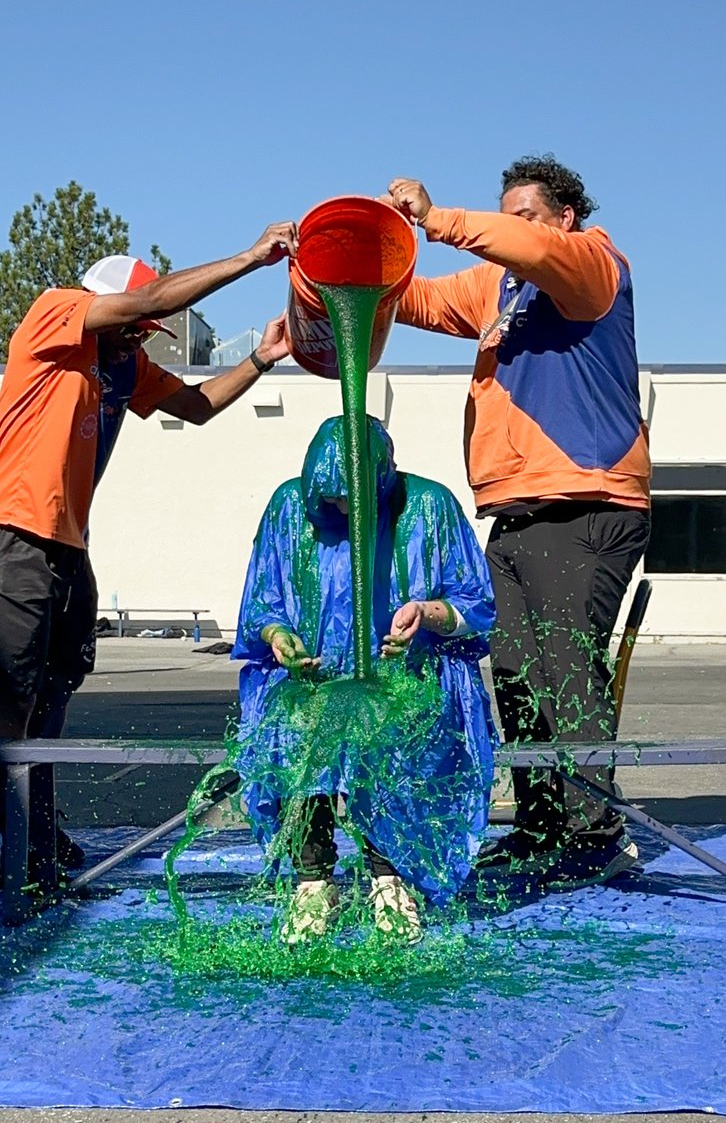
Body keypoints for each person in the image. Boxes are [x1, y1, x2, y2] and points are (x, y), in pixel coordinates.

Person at [385, 156, 651, 890]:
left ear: (564, 217)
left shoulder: (593, 261)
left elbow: (528, 247)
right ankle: (540, 828)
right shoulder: (497, 285)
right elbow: (415, 302)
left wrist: (440, 220)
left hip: (587, 499)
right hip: (514, 508)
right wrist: (348, 264)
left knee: (566, 670)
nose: (512, 228)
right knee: (516, 677)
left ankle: (597, 834)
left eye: (524, 214)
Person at [0, 222, 298, 872]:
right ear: (104, 307)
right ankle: (8, 847)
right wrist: (251, 258)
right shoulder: (55, 315)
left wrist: (259, 360)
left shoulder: (122, 364)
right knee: (11, 699)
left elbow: (194, 406)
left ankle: (35, 838)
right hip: (14, 535)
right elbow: (152, 301)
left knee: (52, 699)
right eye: (133, 325)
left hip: (68, 549)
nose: (140, 338)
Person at [231, 415, 496, 944]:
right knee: (297, 729)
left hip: (407, 678)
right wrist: (281, 638)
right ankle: (313, 879)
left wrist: (428, 613)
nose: (347, 513)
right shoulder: (289, 509)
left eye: (357, 500)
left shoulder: (429, 506)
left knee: (391, 733)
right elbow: (262, 602)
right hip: (311, 683)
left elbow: (477, 606)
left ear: (384, 479)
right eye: (332, 503)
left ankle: (389, 875)